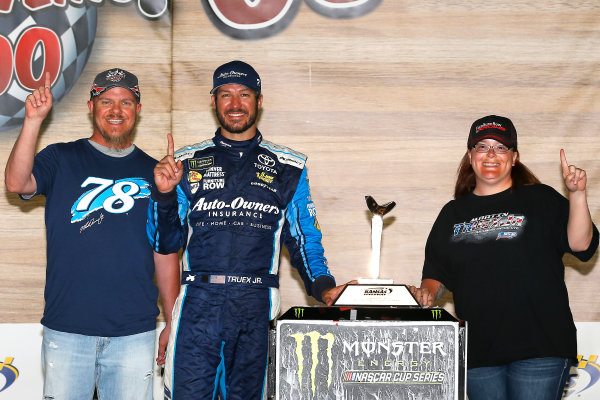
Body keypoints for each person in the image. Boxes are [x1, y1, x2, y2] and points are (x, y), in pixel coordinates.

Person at [147, 60, 352, 399]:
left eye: (244, 94)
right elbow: (165, 242)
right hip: (198, 303)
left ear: (259, 100)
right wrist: (165, 195)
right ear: (213, 102)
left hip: (256, 304)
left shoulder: (290, 166)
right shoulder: (184, 163)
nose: (235, 104)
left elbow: (304, 239)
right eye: (225, 95)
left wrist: (323, 287)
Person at [4, 68, 180, 400]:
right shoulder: (60, 158)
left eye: (126, 102)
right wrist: (32, 121)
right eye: (107, 101)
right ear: (91, 106)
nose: (116, 111)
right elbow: (16, 182)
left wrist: (172, 319)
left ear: (137, 110)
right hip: (67, 329)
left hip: (134, 332)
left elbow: (165, 252)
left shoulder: (156, 174)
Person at [413, 115, 599, 400]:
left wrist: (577, 194)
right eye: (482, 146)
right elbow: (436, 274)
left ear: (514, 158)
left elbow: (581, 244)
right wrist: (426, 292)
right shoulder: (452, 214)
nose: (490, 154)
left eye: (500, 148)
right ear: (470, 155)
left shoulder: (541, 199)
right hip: (477, 353)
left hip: (541, 346)